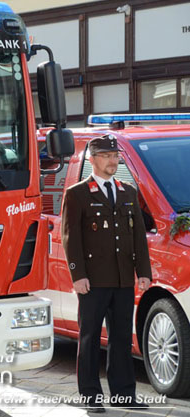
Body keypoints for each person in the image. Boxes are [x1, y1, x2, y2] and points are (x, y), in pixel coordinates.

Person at [61, 134, 152, 413]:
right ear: (93, 159)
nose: (113, 161)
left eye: (115, 157)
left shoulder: (128, 192)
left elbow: (138, 236)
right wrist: (78, 275)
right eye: (107, 156)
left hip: (123, 279)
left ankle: (124, 394)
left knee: (122, 339)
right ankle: (90, 396)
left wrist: (143, 272)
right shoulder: (77, 193)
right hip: (93, 281)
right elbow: (70, 237)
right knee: (89, 339)